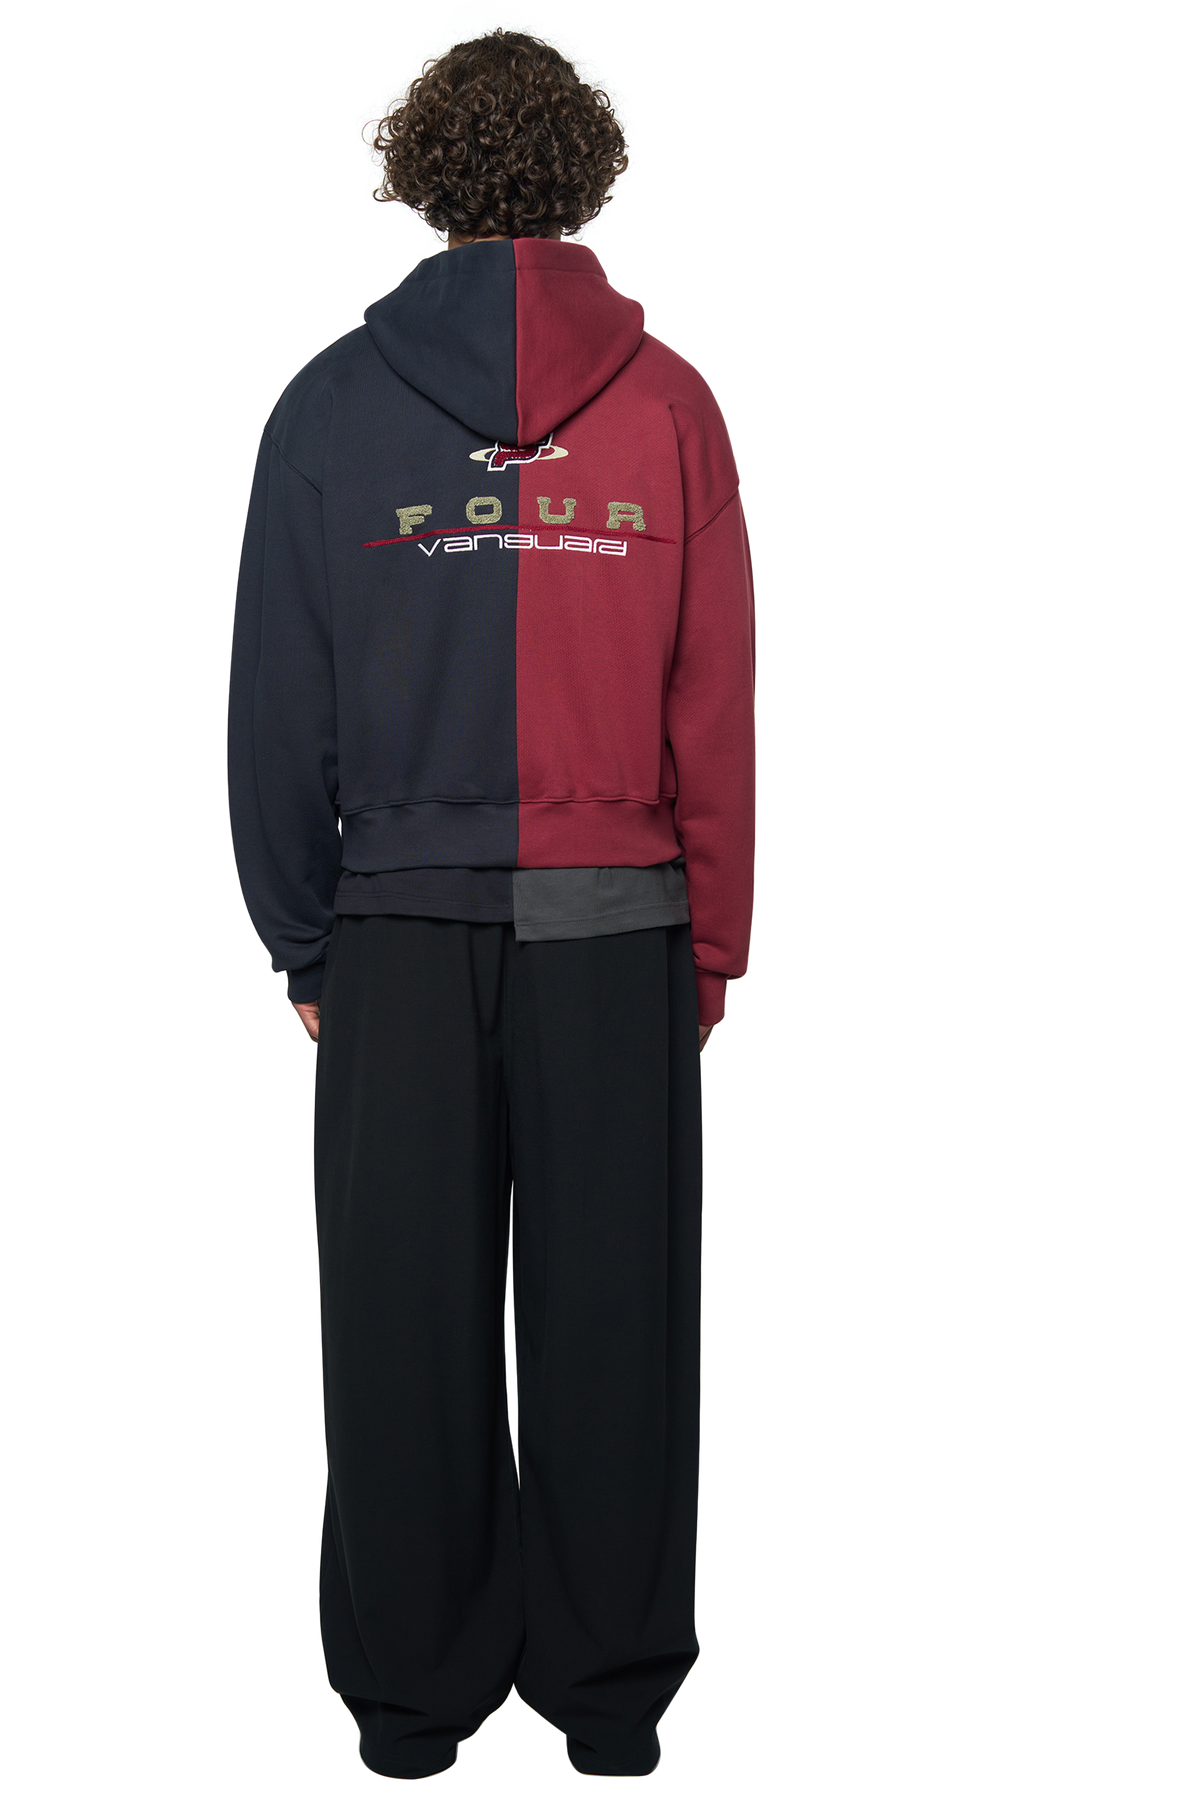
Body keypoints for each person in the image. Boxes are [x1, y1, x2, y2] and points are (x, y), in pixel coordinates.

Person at [225, 25, 757, 1781]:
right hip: (622, 928)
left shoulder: (327, 408)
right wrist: (710, 943)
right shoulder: (672, 406)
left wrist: (308, 940)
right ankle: (612, 1700)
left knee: (399, 1315)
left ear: (420, 174)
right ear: (590, 169)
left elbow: (276, 711)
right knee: (620, 1315)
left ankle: (410, 1704)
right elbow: (715, 705)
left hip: (394, 930)